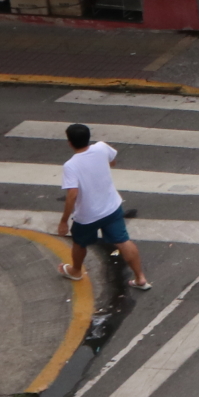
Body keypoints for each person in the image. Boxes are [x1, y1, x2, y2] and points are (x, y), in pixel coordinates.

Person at [58, 123, 149, 289]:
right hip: (112, 207)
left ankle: (76, 271)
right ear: (88, 138)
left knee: (79, 243)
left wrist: (63, 221)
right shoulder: (101, 147)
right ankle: (140, 277)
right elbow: (112, 161)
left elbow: (72, 195)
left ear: (70, 143)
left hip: (87, 216)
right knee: (123, 241)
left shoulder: (71, 165)